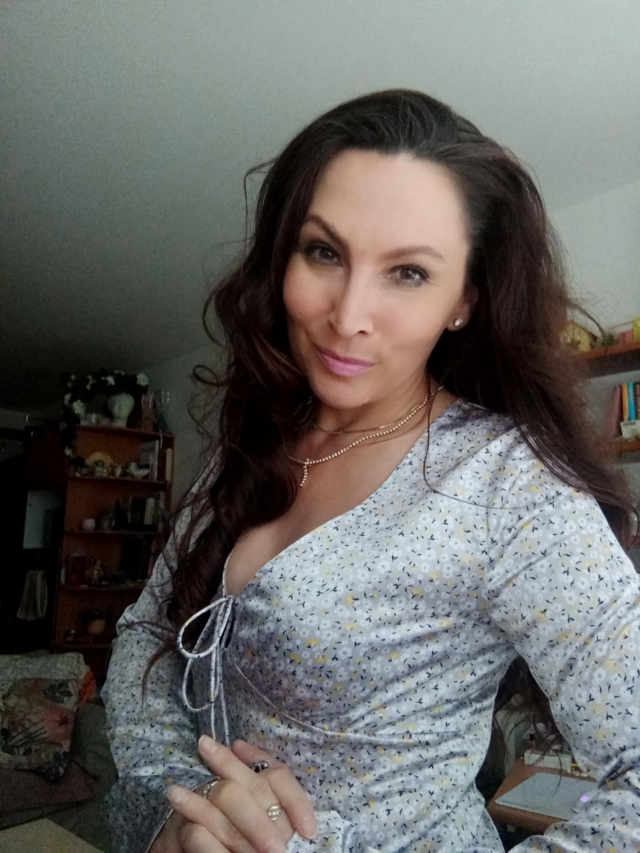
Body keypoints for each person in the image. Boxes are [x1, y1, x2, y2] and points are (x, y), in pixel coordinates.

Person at [103, 89, 640, 853]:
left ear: (464, 299)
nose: (349, 315)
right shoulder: (249, 444)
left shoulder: (509, 485)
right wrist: (178, 810)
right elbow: (145, 633)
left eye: (409, 272)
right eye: (324, 252)